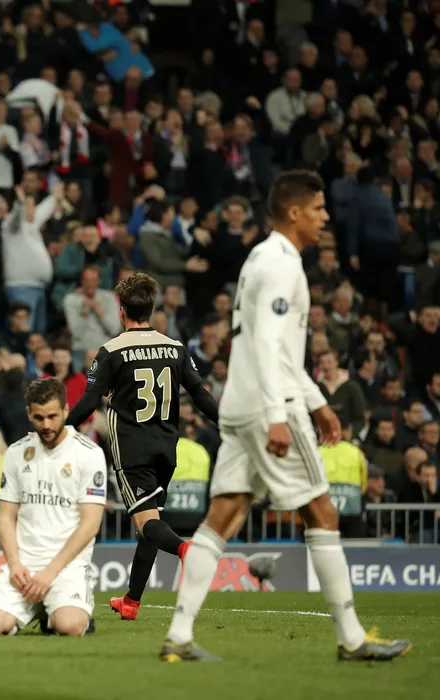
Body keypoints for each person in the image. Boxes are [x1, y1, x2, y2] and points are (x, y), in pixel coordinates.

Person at [160, 171, 411, 662]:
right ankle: (353, 638)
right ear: (294, 211)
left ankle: (179, 635)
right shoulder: (280, 264)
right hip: (266, 406)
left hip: (241, 402)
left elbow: (271, 347)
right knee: (323, 512)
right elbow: (271, 344)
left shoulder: (262, 258)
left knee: (222, 516)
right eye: (318, 209)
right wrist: (280, 413)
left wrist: (317, 400)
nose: (325, 218)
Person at [66, 272, 219, 620]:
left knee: (146, 521)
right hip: (167, 446)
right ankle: (132, 602)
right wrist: (227, 423)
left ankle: (186, 549)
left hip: (132, 447)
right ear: (151, 308)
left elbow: (91, 400)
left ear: (121, 312)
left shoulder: (111, 351)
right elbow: (201, 396)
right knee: (150, 521)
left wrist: (61, 428)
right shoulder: (175, 348)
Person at [0, 378, 107, 636]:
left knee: (69, 626)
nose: (46, 425)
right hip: (23, 568)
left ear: (66, 411)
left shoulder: (89, 454)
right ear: (29, 414)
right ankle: (37, 608)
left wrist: (49, 574)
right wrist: (14, 565)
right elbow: (5, 517)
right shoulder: (16, 453)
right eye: (39, 417)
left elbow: (90, 524)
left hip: (65, 567)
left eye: (52, 416)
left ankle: (60, 610)